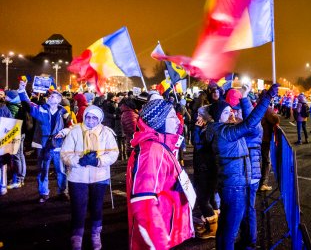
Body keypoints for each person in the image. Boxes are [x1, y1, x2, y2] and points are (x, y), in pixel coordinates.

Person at [206, 84, 278, 250]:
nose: (231, 112)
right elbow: (251, 123)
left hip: (230, 183)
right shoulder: (225, 132)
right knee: (231, 229)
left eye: (231, 110)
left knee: (225, 225)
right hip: (236, 185)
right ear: (218, 117)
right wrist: (266, 98)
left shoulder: (218, 129)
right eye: (227, 111)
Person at [127, 99, 194, 249]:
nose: (177, 120)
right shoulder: (152, 150)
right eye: (172, 117)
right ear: (159, 122)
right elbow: (143, 200)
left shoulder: (161, 145)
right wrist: (159, 242)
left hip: (167, 228)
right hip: (160, 238)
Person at [61, 105, 119, 250]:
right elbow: (65, 153)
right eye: (88, 117)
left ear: (99, 119)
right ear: (84, 116)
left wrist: (98, 161)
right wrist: (78, 161)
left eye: (94, 118)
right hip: (77, 176)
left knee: (97, 206)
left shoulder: (106, 133)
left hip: (100, 176)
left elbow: (113, 153)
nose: (91, 120)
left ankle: (95, 234)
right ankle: (77, 236)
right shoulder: (74, 131)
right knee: (78, 206)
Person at [18, 81, 71, 203]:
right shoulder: (40, 109)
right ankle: (43, 192)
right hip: (43, 144)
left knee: (61, 170)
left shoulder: (64, 112)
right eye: (51, 96)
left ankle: (63, 191)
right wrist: (22, 89)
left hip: (58, 144)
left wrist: (64, 131)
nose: (52, 97)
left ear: (59, 100)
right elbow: (27, 104)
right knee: (43, 169)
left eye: (55, 96)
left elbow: (70, 126)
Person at [225, 86, 263, 249]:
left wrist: (245, 99)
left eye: (236, 110)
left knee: (248, 209)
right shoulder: (235, 127)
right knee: (240, 210)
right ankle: (246, 240)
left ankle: (250, 243)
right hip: (240, 174)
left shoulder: (251, 126)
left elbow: (252, 124)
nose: (234, 114)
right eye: (231, 111)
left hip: (250, 174)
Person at [192, 105, 219, 239]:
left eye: (200, 115)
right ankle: (212, 226)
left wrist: (196, 129)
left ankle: (213, 228)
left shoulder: (209, 129)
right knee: (210, 198)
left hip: (207, 168)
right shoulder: (208, 127)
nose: (198, 118)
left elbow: (197, 145)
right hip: (206, 167)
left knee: (203, 199)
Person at [6, 90, 29, 190]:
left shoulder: (11, 107)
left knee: (16, 156)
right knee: (20, 155)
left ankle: (19, 179)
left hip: (16, 133)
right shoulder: (19, 104)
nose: (5, 97)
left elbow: (10, 121)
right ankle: (21, 177)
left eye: (7, 96)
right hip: (21, 132)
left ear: (11, 97)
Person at [260, 92, 280, 191]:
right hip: (264, 138)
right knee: (266, 161)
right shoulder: (267, 109)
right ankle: (263, 183)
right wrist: (274, 113)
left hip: (258, 138)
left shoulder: (257, 107)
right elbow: (275, 119)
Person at [0, 90, 13, 195]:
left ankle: (2, 185)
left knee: (2, 164)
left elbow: (11, 124)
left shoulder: (5, 109)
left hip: (2, 139)